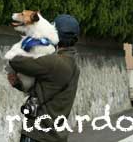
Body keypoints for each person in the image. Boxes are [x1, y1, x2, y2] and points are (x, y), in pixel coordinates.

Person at [8, 14, 80, 142]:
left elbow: (15, 60)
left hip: (38, 135)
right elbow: (47, 91)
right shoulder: (74, 65)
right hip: (57, 136)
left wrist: (30, 42)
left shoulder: (54, 62)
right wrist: (19, 84)